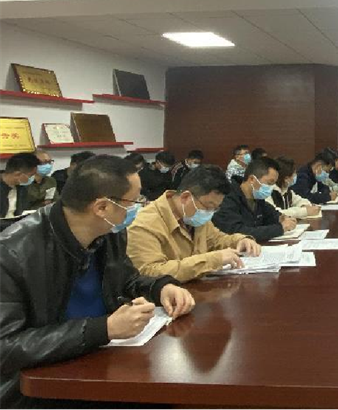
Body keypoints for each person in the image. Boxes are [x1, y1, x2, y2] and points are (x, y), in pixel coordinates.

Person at [0, 155, 194, 409]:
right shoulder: (13, 253)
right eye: (134, 202)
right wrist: (104, 329)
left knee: (169, 393)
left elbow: (127, 278)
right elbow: (6, 347)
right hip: (39, 384)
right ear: (102, 207)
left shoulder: (108, 231)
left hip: (99, 357)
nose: (138, 208)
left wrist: (161, 287)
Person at [127, 164, 261, 282]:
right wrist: (212, 260)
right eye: (208, 206)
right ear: (186, 197)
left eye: (216, 208)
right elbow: (150, 272)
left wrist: (240, 240)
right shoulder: (145, 224)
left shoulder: (193, 216)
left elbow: (216, 240)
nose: (210, 213)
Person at [213, 157, 298, 242]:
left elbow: (272, 215)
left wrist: (282, 218)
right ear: (252, 179)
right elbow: (238, 232)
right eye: (269, 183)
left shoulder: (258, 199)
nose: (271, 188)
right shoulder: (226, 198)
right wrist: (280, 228)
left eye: (273, 184)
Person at [0, 152, 38, 231]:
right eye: (31, 175)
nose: (33, 178)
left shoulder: (22, 189)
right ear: (17, 174)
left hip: (15, 230)